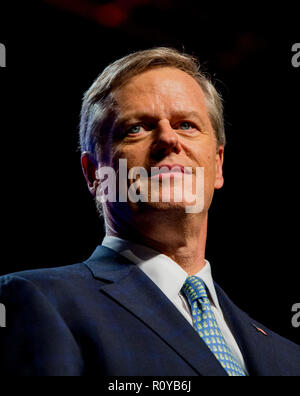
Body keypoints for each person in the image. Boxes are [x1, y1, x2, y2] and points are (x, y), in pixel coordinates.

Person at [0, 47, 299, 376]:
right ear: (94, 174)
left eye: (186, 124)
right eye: (135, 129)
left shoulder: (288, 357)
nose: (168, 139)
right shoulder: (38, 301)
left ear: (217, 164)